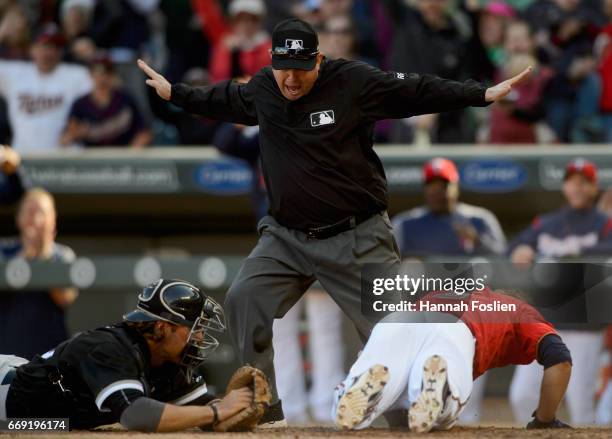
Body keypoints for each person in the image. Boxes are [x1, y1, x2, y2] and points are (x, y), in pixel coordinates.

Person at [138, 17, 532, 426]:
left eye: (301, 68)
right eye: (282, 67)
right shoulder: (264, 89)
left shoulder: (353, 82)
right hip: (286, 238)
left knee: (392, 334)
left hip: (357, 236)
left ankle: (423, 412)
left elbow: (415, 89)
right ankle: (265, 410)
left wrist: (479, 94)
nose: (290, 78)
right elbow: (221, 98)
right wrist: (175, 92)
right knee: (244, 299)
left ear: (319, 60)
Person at [0, 278, 255, 431]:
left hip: (37, 419)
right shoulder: (111, 348)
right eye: (193, 328)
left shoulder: (170, 361)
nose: (199, 337)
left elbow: (201, 408)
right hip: (6, 393)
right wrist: (216, 413)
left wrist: (239, 406)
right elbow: (136, 415)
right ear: (162, 327)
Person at [332, 288, 572, 432]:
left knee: (388, 381)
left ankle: (358, 386)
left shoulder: (450, 291)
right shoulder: (519, 310)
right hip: (454, 331)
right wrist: (544, 420)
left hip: (400, 319)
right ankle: (438, 387)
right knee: (441, 405)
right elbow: (559, 359)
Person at [508, 158, 609, 425]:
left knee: (580, 403)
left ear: (593, 187)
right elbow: (512, 248)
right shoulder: (547, 223)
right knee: (522, 395)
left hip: (584, 324)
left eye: (583, 182)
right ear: (564, 186)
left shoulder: (604, 223)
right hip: (546, 321)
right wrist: (521, 249)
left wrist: (573, 250)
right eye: (572, 182)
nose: (577, 188)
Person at [0, 189, 78, 359]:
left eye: (41, 212)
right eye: (29, 212)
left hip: (49, 354)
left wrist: (43, 256)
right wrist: (25, 256)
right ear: (18, 218)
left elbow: (65, 298)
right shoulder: (4, 250)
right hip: (6, 352)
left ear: (53, 219)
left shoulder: (62, 255)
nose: (35, 220)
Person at [0, 24, 92, 152]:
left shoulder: (77, 74)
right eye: (45, 46)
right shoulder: (15, 73)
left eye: (55, 47)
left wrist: (94, 56)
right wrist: (2, 34)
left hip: (64, 159)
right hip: (24, 158)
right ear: (31, 49)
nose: (50, 52)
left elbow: (107, 97)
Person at [393, 158, 506, 258]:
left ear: (456, 187)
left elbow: (504, 258)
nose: (437, 192)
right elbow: (386, 265)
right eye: (432, 187)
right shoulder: (405, 224)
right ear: (425, 189)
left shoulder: (480, 219)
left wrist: (478, 242)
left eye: (443, 186)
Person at [62, 54, 152, 148]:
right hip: (91, 160)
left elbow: (144, 133)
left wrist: (134, 151)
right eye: (97, 73)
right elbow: (64, 139)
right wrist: (75, 134)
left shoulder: (126, 100)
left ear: (113, 75)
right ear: (90, 75)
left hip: (122, 158)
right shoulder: (80, 104)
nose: (102, 78)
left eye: (106, 73)